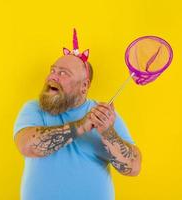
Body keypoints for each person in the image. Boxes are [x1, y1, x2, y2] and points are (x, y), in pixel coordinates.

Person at [13, 29, 142, 200]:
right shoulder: (34, 108)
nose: (53, 77)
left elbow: (133, 167)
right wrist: (81, 126)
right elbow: (27, 146)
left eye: (63, 73)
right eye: (52, 70)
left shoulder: (105, 116)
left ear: (84, 86)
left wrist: (108, 133)